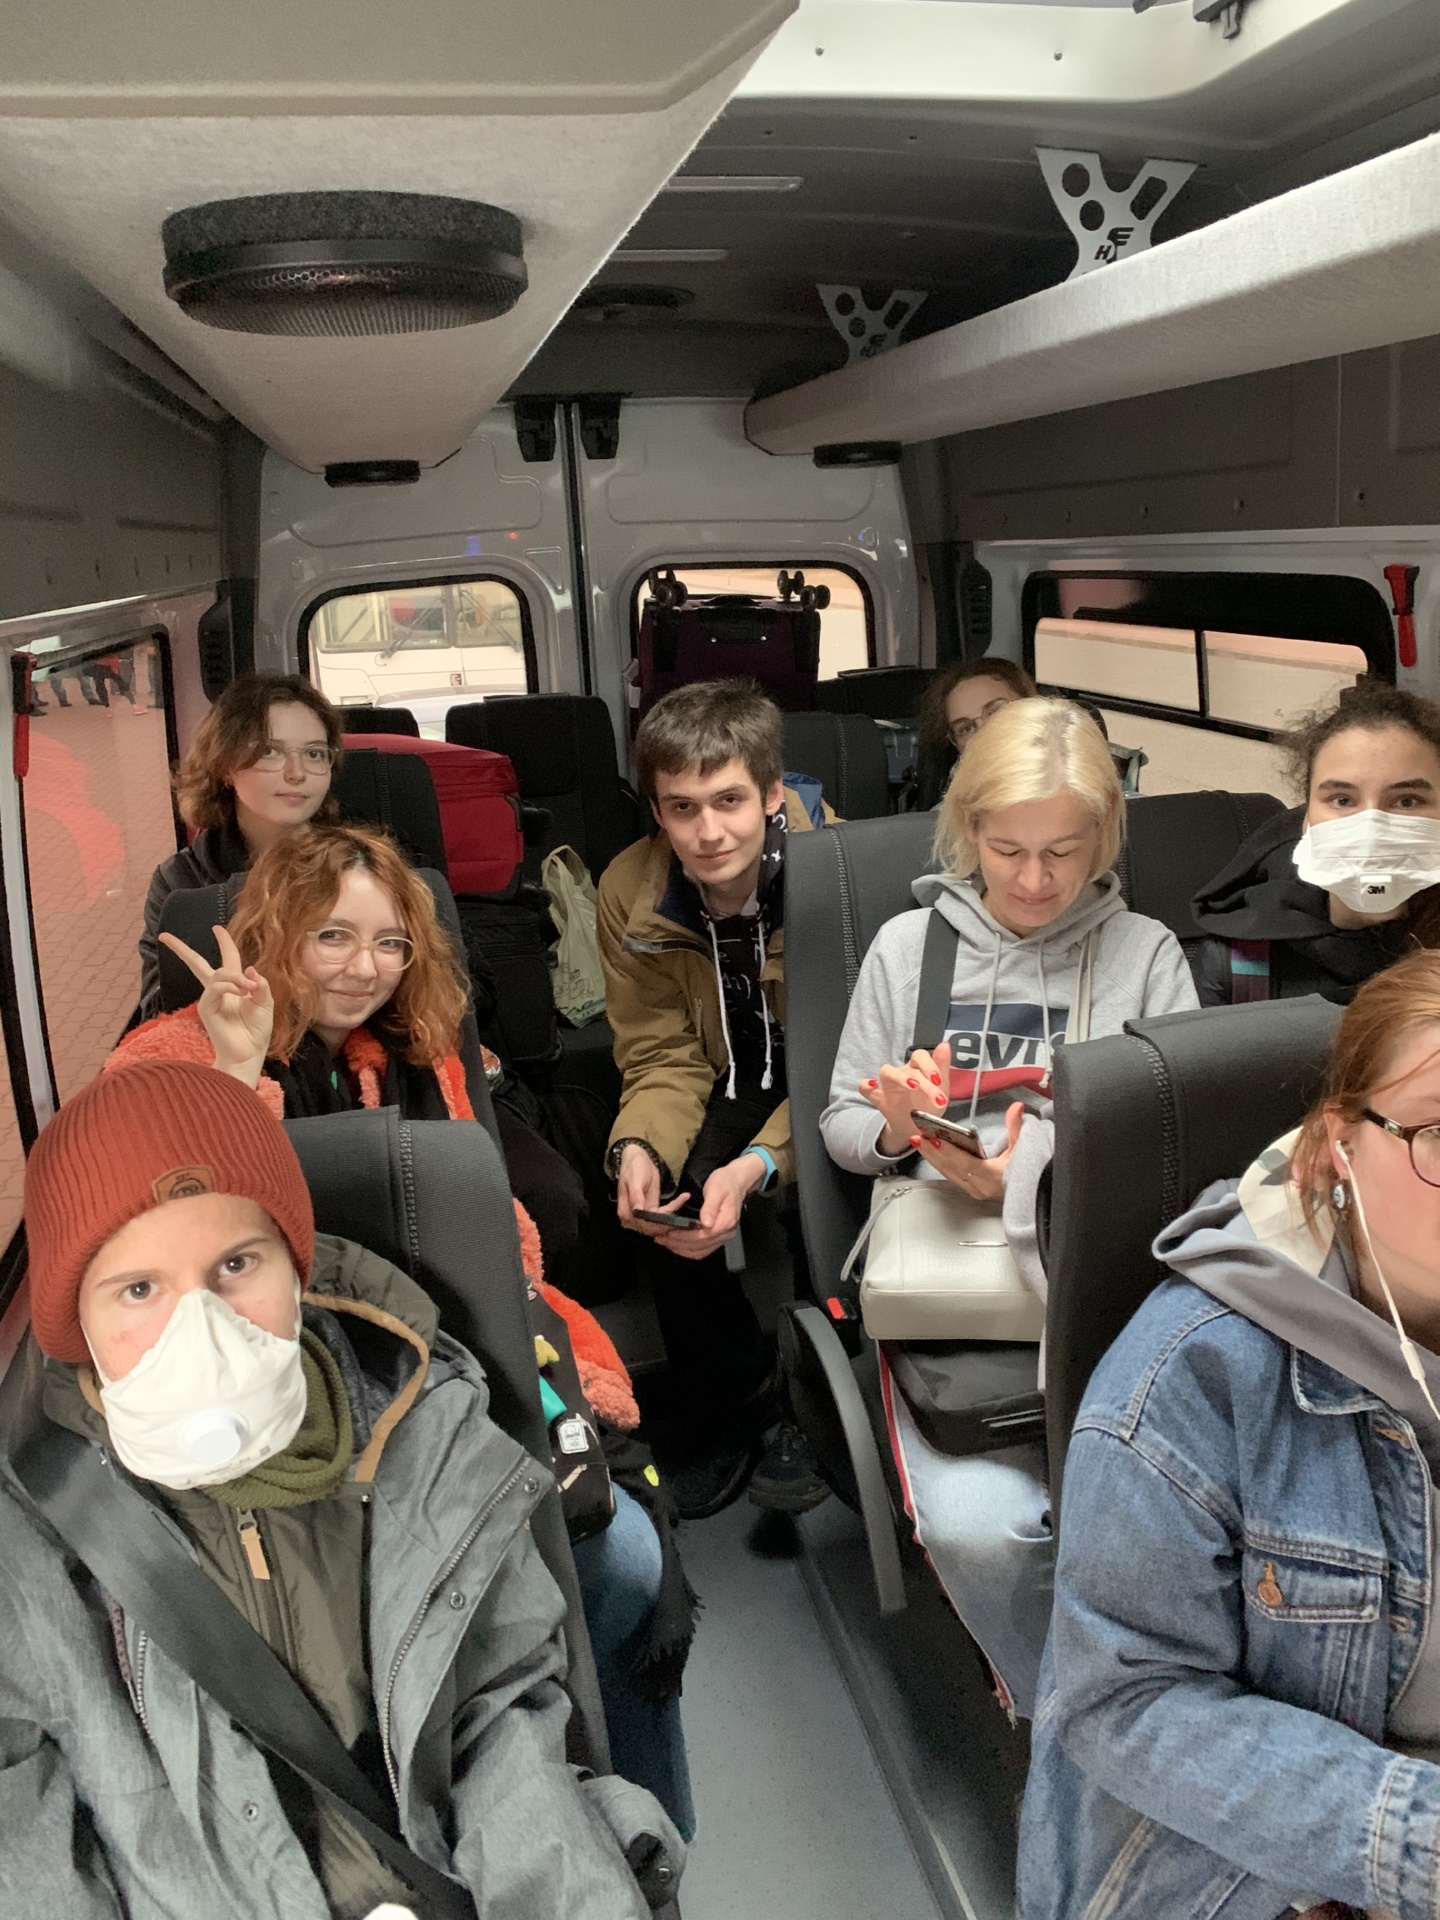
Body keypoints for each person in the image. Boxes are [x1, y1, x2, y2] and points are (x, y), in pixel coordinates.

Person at [109, 824, 692, 1832]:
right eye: (332, 937)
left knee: (626, 1563)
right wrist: (235, 1067)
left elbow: (488, 1228)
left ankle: (639, 1824)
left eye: (389, 944)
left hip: (440, 1359)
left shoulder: (415, 1052)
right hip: (271, 1402)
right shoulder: (169, 1054)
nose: (364, 968)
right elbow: (163, 1238)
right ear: (277, 933)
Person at [0, 1058, 681, 1917]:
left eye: (236, 1264)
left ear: (297, 1268)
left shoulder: (427, 1433)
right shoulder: (30, 1536)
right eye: (139, 1289)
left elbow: (497, 1722)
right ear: (78, 1323)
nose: (200, 1329)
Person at [1020, 948, 1440, 1920]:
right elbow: (1123, 1700)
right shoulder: (1189, 1377)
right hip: (1256, 1871)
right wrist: (1410, 1845)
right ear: (1336, 1146)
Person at [821, 697, 1198, 1715]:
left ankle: (1138, 1698)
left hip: (1102, 1278)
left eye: (1063, 853)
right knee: (981, 1531)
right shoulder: (908, 949)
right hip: (950, 1289)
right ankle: (1058, 1711)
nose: (1034, 881)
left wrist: (1028, 1174)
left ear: (1103, 841)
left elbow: (1179, 1150)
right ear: (968, 831)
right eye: (1007, 850)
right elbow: (842, 1129)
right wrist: (904, 1130)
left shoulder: (1146, 955)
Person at [598, 678, 834, 1520]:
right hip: (723, 1075)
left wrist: (762, 1163)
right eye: (682, 808)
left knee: (831, 1204)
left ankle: (820, 1402)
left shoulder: (841, 873)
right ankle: (738, 1397)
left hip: (833, 1078)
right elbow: (660, 1052)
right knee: (663, 1203)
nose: (708, 832)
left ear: (771, 793)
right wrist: (639, 1146)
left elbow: (855, 1057)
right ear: (657, 812)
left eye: (729, 801)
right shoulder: (630, 890)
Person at [1188, 678, 1440, 1005]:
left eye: (1406, 801)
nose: (1370, 827)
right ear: (1306, 818)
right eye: (1342, 800)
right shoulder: (1237, 964)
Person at [138, 673, 344, 1019]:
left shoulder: (362, 864)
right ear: (225, 766)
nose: (297, 773)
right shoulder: (182, 881)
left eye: (314, 753)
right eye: (269, 752)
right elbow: (159, 1012)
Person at [914, 656, 1039, 809]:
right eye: (966, 728)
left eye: (994, 712)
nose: (982, 733)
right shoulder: (949, 818)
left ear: (1032, 707)